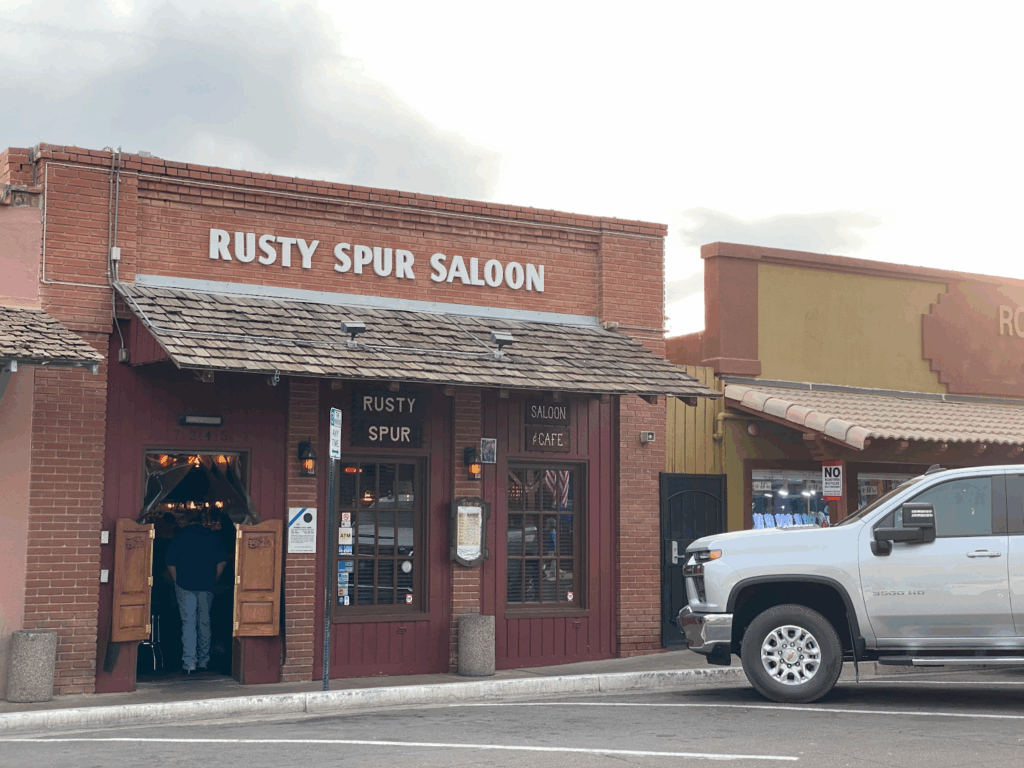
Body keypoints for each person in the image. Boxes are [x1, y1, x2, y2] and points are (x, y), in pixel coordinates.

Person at [164, 513, 228, 675]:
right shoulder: (212, 536)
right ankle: (203, 661)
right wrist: (215, 577)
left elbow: (170, 562)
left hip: (185, 584)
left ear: (188, 521)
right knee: (204, 623)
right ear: (201, 521)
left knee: (189, 624)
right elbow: (222, 561)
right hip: (207, 585)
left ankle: (189, 662)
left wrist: (177, 581)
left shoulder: (180, 536)